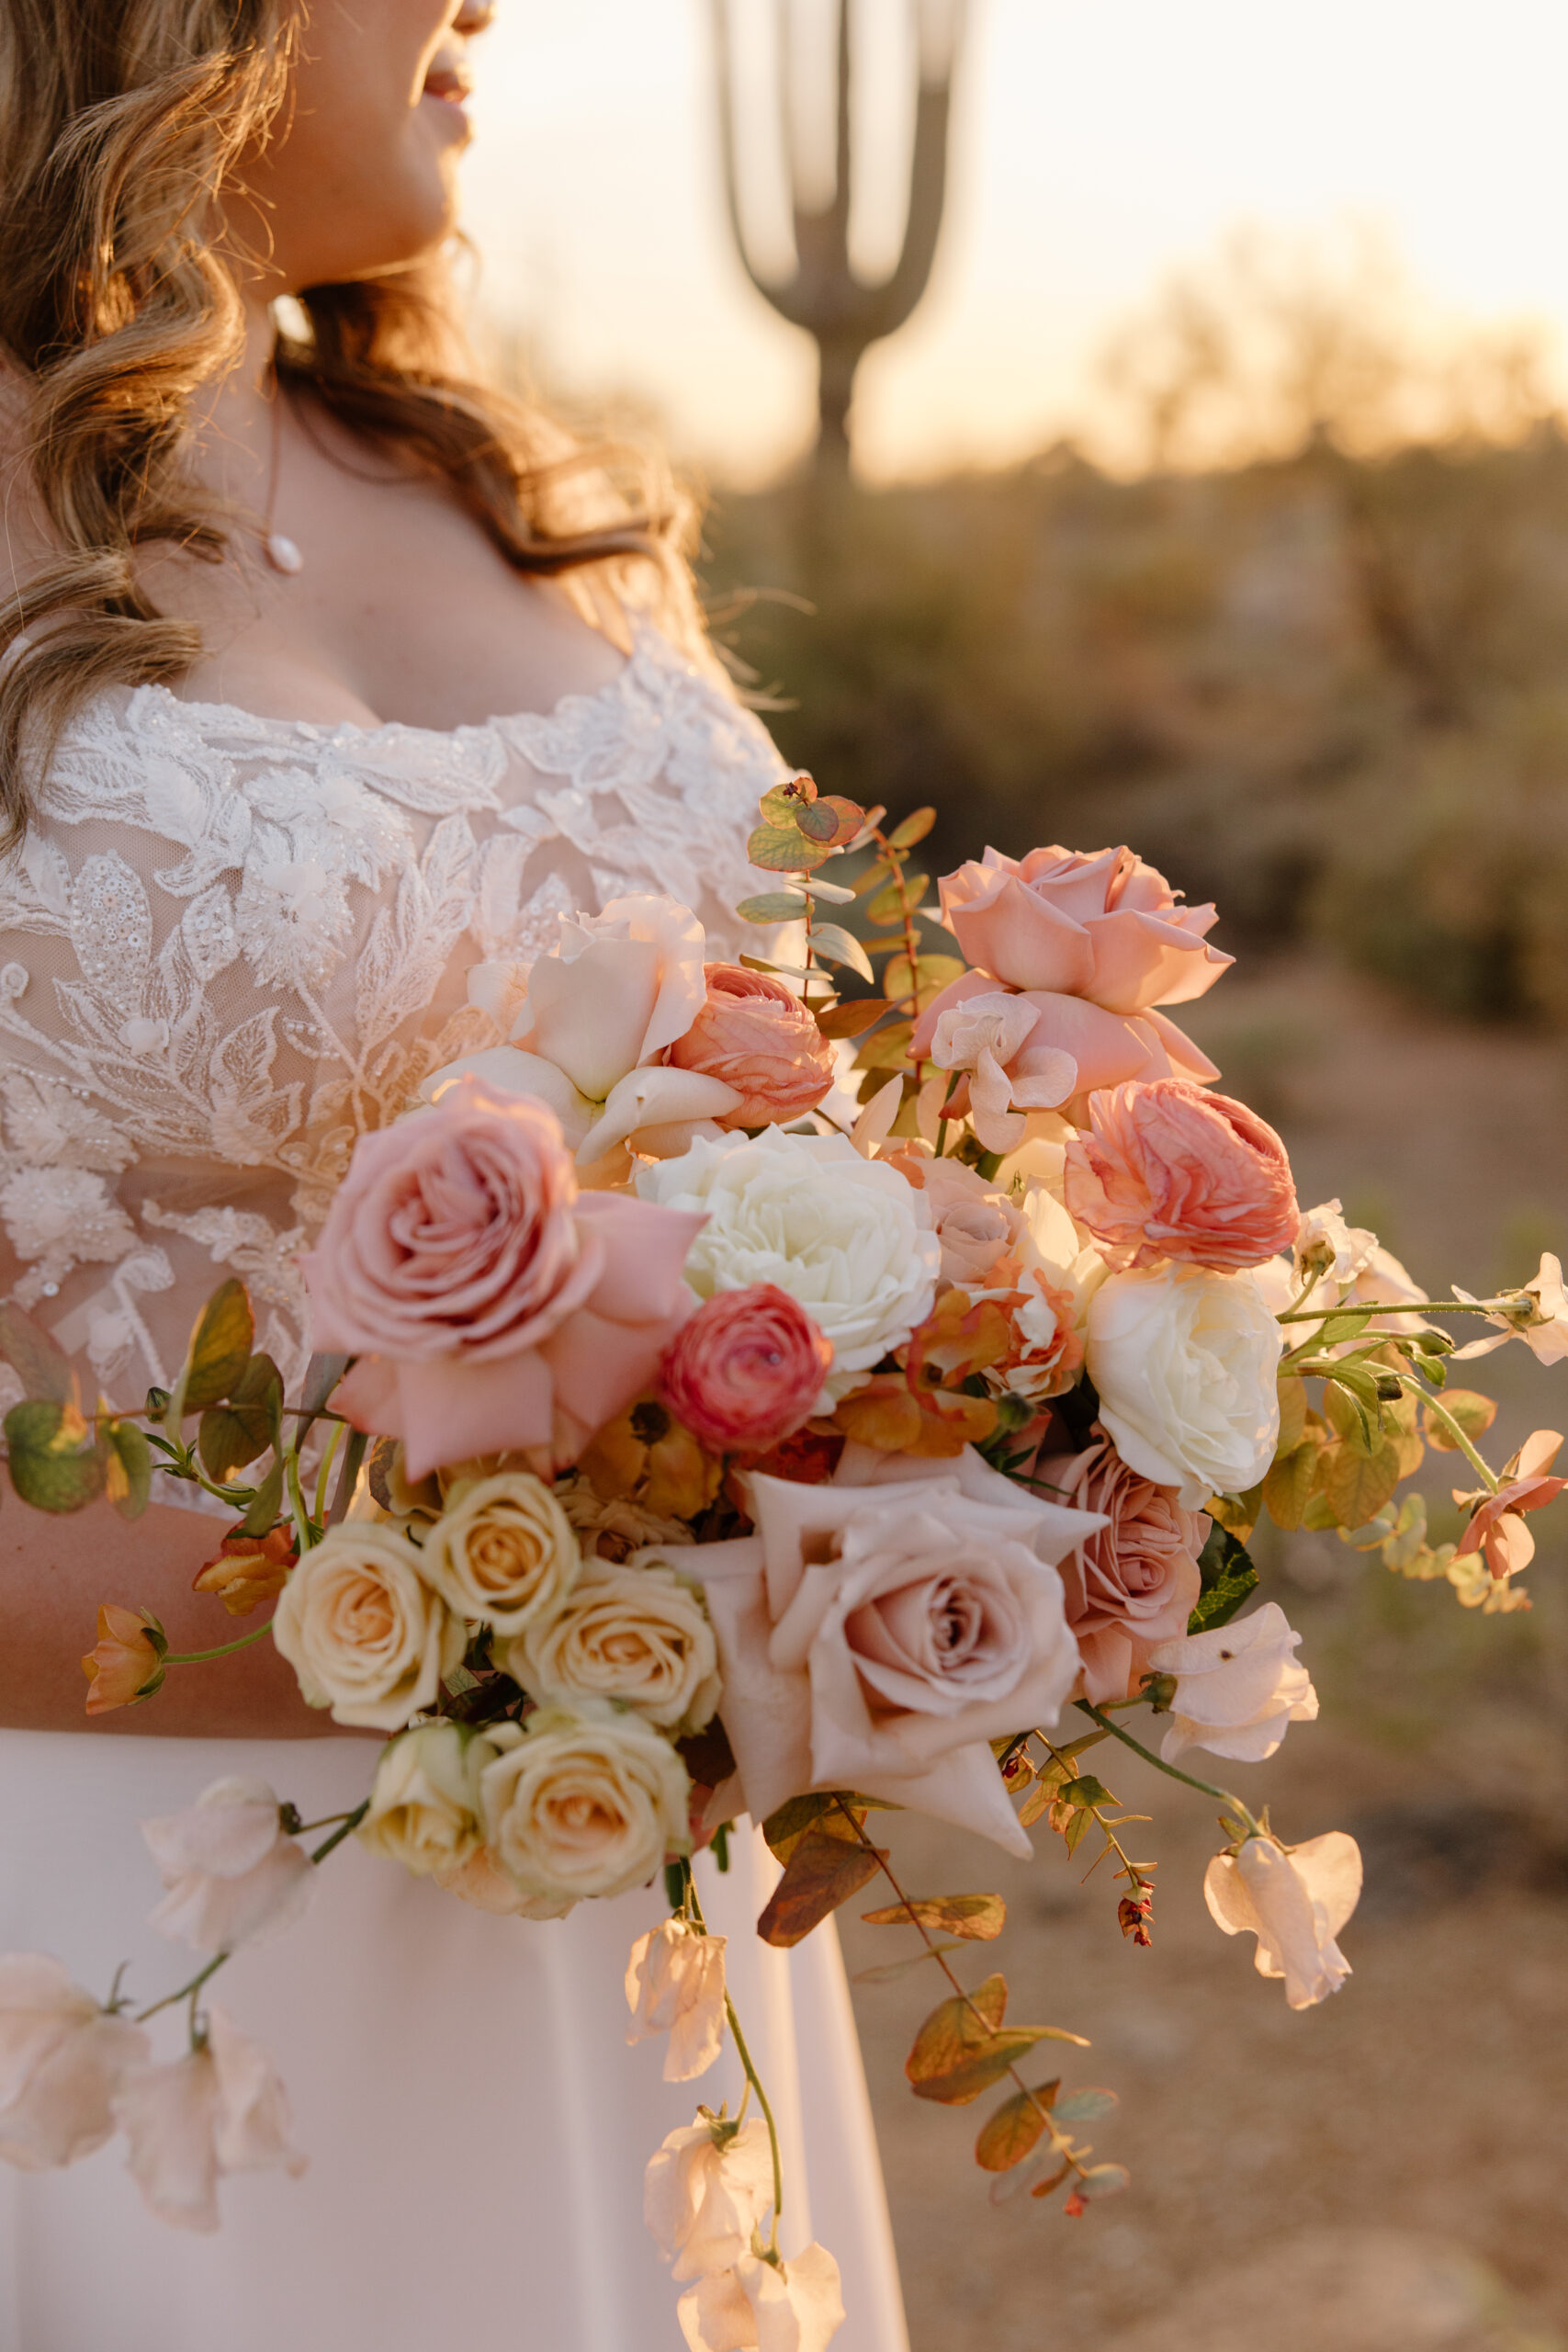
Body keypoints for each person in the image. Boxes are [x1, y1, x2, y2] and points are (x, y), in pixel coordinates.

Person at [0, 6, 909, 2346]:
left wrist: (976, 1413)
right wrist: (534, 1596)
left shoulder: (500, 479)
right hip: (116, 1928)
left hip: (621, 1893)